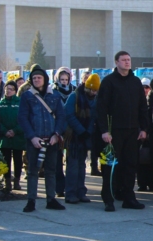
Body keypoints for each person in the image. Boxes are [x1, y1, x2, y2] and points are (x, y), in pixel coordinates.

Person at [96, 51, 149, 211]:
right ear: (116, 62)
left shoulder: (135, 82)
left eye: (129, 60)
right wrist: (104, 130)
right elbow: (101, 108)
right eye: (123, 60)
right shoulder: (108, 82)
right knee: (110, 166)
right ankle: (108, 198)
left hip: (132, 131)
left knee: (130, 165)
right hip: (113, 132)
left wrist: (144, 128)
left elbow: (142, 107)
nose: (127, 62)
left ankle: (128, 198)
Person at [17, 65, 67, 212]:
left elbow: (61, 116)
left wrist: (57, 134)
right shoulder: (27, 96)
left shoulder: (55, 95)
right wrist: (32, 137)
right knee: (33, 171)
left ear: (45, 79)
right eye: (34, 78)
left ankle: (51, 199)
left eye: (39, 78)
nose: (37, 80)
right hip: (35, 140)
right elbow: (22, 118)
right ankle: (31, 201)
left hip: (51, 139)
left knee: (51, 170)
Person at [63, 74, 100, 204]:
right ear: (87, 88)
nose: (94, 92)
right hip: (73, 136)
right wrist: (81, 131)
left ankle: (81, 192)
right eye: (92, 90)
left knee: (82, 165)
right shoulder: (75, 96)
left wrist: (88, 132)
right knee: (72, 165)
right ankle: (70, 193)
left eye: (96, 90)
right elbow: (69, 115)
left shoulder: (95, 100)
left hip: (85, 137)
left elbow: (93, 118)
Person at [51, 67, 75, 198]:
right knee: (57, 161)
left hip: (71, 130)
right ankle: (59, 187)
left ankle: (71, 186)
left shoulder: (74, 91)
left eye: (66, 79)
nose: (64, 82)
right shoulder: (52, 92)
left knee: (72, 160)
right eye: (62, 79)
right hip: (57, 129)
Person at [0, 81, 25, 191]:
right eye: (6, 89)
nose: (8, 91)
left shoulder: (20, 103)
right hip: (5, 137)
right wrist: (4, 131)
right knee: (6, 159)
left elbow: (24, 119)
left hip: (18, 136)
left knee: (18, 160)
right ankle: (7, 182)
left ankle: (17, 181)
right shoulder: (0, 104)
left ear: (15, 91)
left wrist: (15, 130)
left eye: (11, 89)